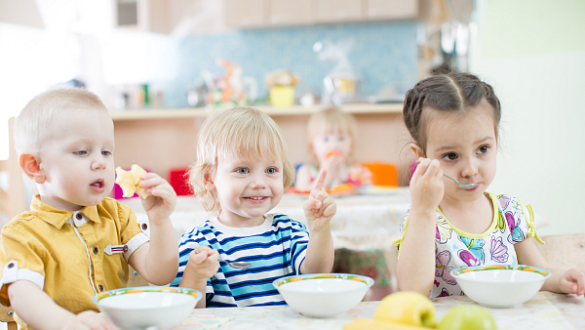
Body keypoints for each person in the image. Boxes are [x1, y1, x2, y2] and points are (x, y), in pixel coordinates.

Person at [394, 72, 585, 298]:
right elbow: (413, 292)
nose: (470, 170)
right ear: (421, 157)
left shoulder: (508, 212)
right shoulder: (423, 219)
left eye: (482, 149)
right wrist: (423, 210)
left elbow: (537, 272)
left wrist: (560, 278)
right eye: (451, 155)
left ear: (496, 138)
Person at [0, 88, 179, 329]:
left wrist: (160, 221)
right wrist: (67, 324)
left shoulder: (118, 215)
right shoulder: (21, 235)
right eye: (82, 151)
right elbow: (22, 295)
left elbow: (159, 274)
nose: (100, 162)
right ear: (36, 166)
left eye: (106, 151)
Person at [171, 107, 336, 308]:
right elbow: (190, 311)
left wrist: (319, 230)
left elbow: (316, 274)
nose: (260, 182)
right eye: (242, 170)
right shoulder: (198, 245)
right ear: (209, 178)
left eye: (271, 170)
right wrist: (196, 274)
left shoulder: (289, 231)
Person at [294, 107, 372, 191]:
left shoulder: (357, 171)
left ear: (351, 146)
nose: (334, 145)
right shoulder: (306, 171)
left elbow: (369, 194)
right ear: (312, 147)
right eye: (325, 139)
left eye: (341, 139)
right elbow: (301, 196)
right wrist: (325, 179)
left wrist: (347, 179)